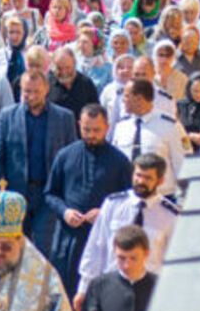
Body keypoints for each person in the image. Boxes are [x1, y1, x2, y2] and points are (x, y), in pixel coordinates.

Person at [43, 105, 133, 295]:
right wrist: (65, 212)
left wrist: (104, 213)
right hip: (68, 239)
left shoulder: (120, 162)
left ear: (107, 127)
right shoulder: (65, 155)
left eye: (96, 130)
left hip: (103, 241)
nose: (91, 135)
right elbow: (50, 194)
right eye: (86, 130)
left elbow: (130, 200)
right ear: (78, 126)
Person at [0, 71, 77, 253]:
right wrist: (1, 189)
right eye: (27, 91)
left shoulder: (64, 118)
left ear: (46, 89)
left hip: (49, 195)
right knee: (15, 248)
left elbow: (71, 158)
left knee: (45, 249)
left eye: (36, 91)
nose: (31, 96)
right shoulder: (7, 116)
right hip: (16, 193)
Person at [76, 153, 179, 304]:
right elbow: (96, 247)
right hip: (112, 287)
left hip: (149, 292)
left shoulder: (171, 216)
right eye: (138, 175)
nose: (140, 181)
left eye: (148, 178)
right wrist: (83, 288)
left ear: (160, 180)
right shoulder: (113, 204)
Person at [109, 78, 186, 196]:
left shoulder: (170, 126)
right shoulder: (122, 127)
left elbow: (182, 164)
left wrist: (182, 197)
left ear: (139, 99)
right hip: (128, 197)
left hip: (162, 197)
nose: (123, 101)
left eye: (126, 96)